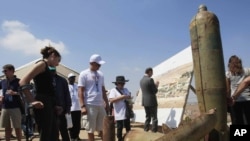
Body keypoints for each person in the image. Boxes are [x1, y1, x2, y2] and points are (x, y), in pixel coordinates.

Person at [19, 46, 61, 141]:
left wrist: (55, 105)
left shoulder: (48, 69)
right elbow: (23, 82)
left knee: (53, 134)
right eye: (58, 60)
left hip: (50, 103)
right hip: (42, 102)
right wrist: (33, 101)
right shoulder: (42, 64)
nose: (57, 64)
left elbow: (48, 88)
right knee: (46, 134)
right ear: (53, 55)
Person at [78, 54, 109, 141]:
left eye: (100, 65)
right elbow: (80, 90)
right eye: (98, 64)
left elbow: (103, 89)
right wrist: (82, 106)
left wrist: (106, 102)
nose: (100, 66)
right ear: (92, 63)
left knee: (103, 127)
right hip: (90, 104)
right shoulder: (84, 74)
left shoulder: (101, 74)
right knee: (90, 129)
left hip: (100, 104)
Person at [0, 64, 22, 141]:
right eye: (3, 71)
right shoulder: (2, 81)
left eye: (5, 71)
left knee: (17, 127)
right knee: (7, 128)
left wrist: (15, 93)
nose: (4, 72)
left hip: (15, 107)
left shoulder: (19, 81)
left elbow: (24, 93)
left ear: (12, 71)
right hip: (5, 107)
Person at [226, 55, 250, 125]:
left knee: (237, 123)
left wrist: (228, 99)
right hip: (248, 100)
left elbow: (228, 89)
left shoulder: (228, 74)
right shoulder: (247, 70)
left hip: (234, 101)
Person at [50, 66, 72, 141]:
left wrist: (68, 107)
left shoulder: (62, 80)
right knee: (52, 132)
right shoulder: (45, 80)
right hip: (50, 110)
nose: (52, 72)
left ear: (55, 70)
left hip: (61, 110)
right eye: (50, 71)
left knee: (64, 130)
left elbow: (67, 94)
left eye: (53, 71)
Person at [109, 76, 131, 141]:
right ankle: (120, 139)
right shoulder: (113, 90)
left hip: (126, 111)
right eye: (120, 83)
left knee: (128, 127)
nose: (122, 85)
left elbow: (129, 96)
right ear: (117, 83)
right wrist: (121, 97)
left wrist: (126, 96)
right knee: (119, 128)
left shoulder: (125, 89)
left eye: (123, 83)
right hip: (119, 113)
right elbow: (111, 100)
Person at [140, 67, 159, 132]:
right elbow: (155, 91)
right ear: (149, 72)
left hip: (145, 102)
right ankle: (154, 131)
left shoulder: (141, 80)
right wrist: (156, 86)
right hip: (151, 101)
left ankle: (146, 129)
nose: (152, 74)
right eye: (152, 72)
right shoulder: (150, 80)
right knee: (154, 117)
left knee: (148, 116)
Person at [67, 73, 81, 141]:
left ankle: (77, 136)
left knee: (77, 123)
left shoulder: (77, 86)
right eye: (71, 77)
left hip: (78, 108)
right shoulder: (66, 87)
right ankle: (72, 137)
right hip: (70, 108)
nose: (73, 79)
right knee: (70, 124)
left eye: (74, 78)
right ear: (68, 79)